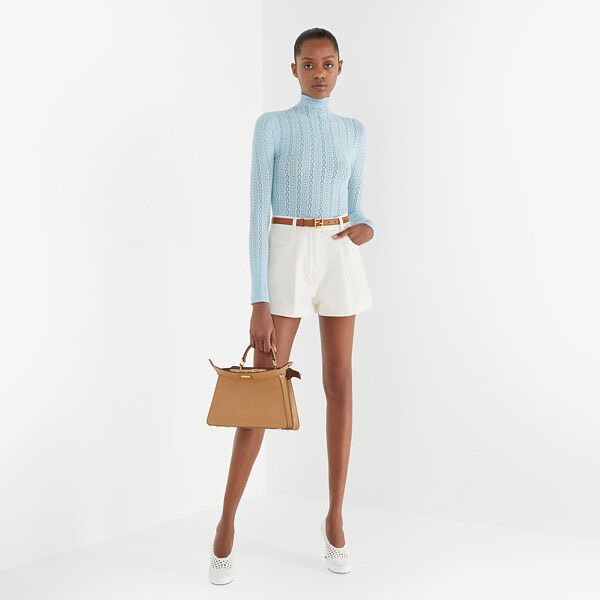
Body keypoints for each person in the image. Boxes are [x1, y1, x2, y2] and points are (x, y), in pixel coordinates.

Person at [209, 27, 376, 585]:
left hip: (338, 252)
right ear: (294, 69)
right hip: (286, 250)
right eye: (309, 64)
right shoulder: (273, 126)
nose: (319, 73)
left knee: (340, 382)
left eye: (328, 64)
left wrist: (367, 227)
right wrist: (258, 298)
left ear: (340, 67)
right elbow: (257, 211)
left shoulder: (354, 132)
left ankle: (335, 519)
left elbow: (357, 205)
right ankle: (226, 523)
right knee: (263, 386)